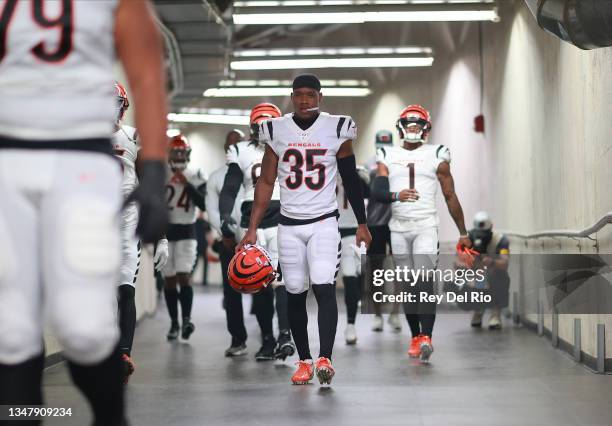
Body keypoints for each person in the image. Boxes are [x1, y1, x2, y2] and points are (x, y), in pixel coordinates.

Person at [0, 1, 168, 425]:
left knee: (84, 328)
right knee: (11, 330)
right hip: (8, 161)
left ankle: (112, 418)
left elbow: (148, 72)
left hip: (80, 164)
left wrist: (153, 170)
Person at [238, 74, 371, 385]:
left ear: (320, 97)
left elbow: (350, 178)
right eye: (298, 94)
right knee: (294, 292)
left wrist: (362, 223)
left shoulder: (337, 128)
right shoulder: (276, 129)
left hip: (324, 221)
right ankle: (304, 360)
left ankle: (325, 357)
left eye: (310, 94)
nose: (304, 100)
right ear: (292, 97)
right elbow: (266, 181)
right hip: (289, 224)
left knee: (324, 285)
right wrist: (252, 227)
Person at [373, 105, 471, 363]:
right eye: (409, 123)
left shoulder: (437, 153)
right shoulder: (386, 154)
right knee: (407, 285)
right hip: (398, 226)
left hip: (426, 224)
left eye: (418, 124)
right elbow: (377, 192)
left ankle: (426, 336)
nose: (413, 127)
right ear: (401, 126)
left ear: (426, 128)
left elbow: (450, 195)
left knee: (424, 281)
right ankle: (415, 335)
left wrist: (463, 232)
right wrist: (397, 195)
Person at [220, 104, 296, 361]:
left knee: (282, 281)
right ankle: (268, 339)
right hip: (250, 220)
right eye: (260, 126)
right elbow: (230, 187)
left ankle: (284, 335)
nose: (264, 131)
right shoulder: (239, 150)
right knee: (260, 283)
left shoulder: (290, 146)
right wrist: (224, 216)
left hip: (282, 217)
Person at [112, 81, 169, 384]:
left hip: (126, 221)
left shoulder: (133, 136)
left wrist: (160, 236)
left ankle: (123, 354)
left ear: (122, 106)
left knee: (124, 287)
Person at [206, 129, 250, 356]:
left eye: (237, 142)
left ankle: (270, 337)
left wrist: (248, 234)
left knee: (263, 288)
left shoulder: (251, 171)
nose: (233, 146)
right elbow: (212, 209)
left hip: (252, 239)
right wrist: (225, 234)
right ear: (225, 147)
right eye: (229, 142)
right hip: (227, 242)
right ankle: (237, 338)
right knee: (231, 292)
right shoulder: (215, 177)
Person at [163, 134, 206, 341]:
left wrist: (187, 184)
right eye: (176, 151)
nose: (179, 155)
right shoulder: (161, 173)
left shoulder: (195, 174)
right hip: (165, 231)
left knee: (184, 276)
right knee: (169, 279)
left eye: (182, 151)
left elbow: (205, 204)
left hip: (187, 230)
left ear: (187, 153)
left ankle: (187, 319)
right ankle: (174, 323)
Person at [367, 130, 402, 333]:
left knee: (400, 269)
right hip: (375, 223)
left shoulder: (399, 161)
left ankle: (395, 313)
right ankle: (378, 314)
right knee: (375, 270)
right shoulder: (370, 164)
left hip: (396, 221)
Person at [337, 165, 370, 344]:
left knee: (351, 277)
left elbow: (369, 197)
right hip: (326, 231)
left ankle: (350, 324)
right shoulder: (324, 170)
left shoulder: (356, 173)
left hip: (351, 231)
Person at [468, 211, 510, 329]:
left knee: (500, 278)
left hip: (493, 273)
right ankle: (477, 311)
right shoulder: (468, 239)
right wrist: (471, 263)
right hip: (475, 274)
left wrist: (491, 262)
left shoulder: (500, 240)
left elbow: (505, 263)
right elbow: (457, 262)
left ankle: (495, 315)